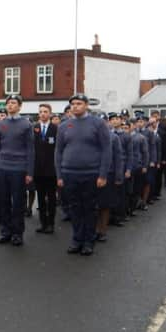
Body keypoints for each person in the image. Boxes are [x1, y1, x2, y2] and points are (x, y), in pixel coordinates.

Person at [55, 94, 111, 256]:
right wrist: (59, 175)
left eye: (79, 103)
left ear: (86, 105)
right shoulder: (64, 126)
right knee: (74, 208)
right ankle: (77, 239)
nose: (75, 106)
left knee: (89, 208)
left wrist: (102, 174)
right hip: (69, 173)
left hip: (91, 173)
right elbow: (58, 152)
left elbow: (106, 150)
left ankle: (88, 241)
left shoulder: (98, 124)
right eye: (73, 104)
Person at [0, 95, 34, 246]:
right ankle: (6, 231)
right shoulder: (0, 124)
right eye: (8, 103)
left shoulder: (26, 124)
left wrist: (29, 172)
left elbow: (30, 149)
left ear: (20, 106)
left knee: (18, 203)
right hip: (2, 167)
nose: (10, 105)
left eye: (13, 103)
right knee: (3, 201)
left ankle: (17, 233)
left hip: (19, 168)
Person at [95, 113, 123, 242]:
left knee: (105, 205)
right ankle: (95, 229)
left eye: (104, 122)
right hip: (93, 174)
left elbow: (118, 158)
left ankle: (103, 230)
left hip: (109, 174)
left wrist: (118, 176)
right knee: (94, 204)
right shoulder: (92, 137)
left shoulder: (114, 137)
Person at [33, 104, 58, 234]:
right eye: (41, 112)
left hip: (51, 170)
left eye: (45, 112)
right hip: (38, 170)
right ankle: (43, 223)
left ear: (50, 113)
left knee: (51, 198)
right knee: (41, 198)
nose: (42, 114)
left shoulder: (55, 129)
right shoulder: (34, 128)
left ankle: (51, 223)